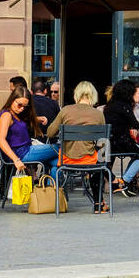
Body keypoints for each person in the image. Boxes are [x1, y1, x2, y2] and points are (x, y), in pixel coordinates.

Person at [48, 80, 110, 214]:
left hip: (67, 160)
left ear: (76, 95)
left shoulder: (65, 110)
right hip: (90, 160)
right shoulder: (98, 114)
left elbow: (50, 132)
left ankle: (55, 201)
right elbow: (103, 143)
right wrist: (105, 163)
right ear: (93, 95)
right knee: (99, 161)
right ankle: (98, 203)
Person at [0, 87, 58, 174]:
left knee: (57, 162)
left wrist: (37, 119)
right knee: (60, 148)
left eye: (25, 106)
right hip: (21, 153)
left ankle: (50, 186)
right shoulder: (6, 115)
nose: (22, 109)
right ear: (12, 100)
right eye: (19, 105)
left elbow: (20, 123)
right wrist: (16, 160)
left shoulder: (15, 114)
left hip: (26, 151)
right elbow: (0, 139)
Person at [104, 79, 139, 194]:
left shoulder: (109, 106)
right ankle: (124, 181)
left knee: (106, 163)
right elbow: (134, 124)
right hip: (121, 142)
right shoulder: (125, 106)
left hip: (107, 142)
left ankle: (114, 182)